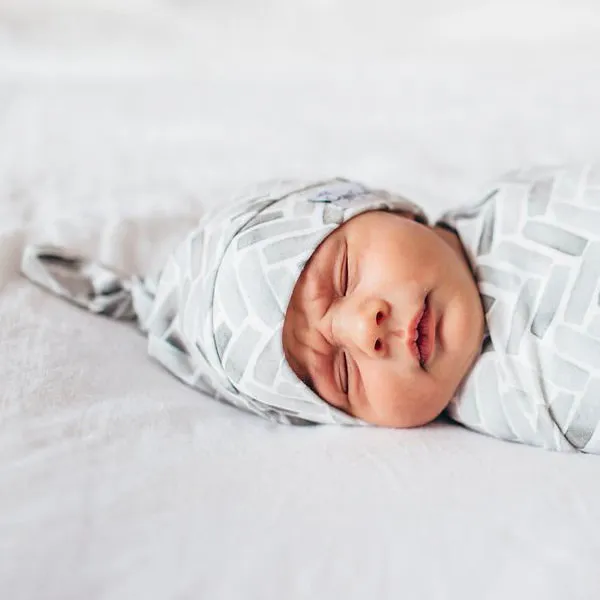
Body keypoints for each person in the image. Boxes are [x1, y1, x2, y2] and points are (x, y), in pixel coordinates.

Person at [21, 165, 600, 453]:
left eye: (344, 274)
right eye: (342, 375)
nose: (363, 330)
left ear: (387, 209)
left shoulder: (518, 194)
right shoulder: (525, 397)